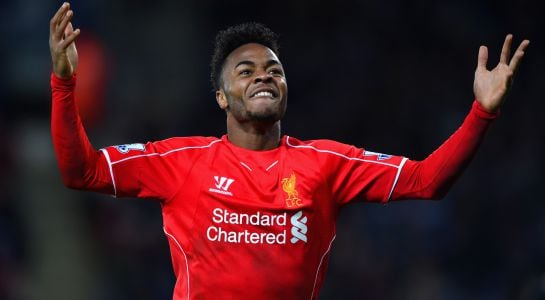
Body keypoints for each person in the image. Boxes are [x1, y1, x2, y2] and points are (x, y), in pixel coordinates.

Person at [49, 2, 529, 299]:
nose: (264, 75)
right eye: (246, 70)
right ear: (221, 97)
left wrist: (481, 112)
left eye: (274, 69)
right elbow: (81, 171)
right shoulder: (182, 161)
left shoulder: (324, 164)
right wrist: (64, 83)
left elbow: (428, 181)